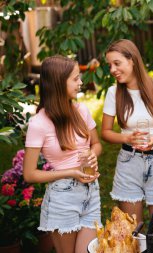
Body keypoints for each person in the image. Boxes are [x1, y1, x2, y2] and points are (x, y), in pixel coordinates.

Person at [23, 55, 102, 253]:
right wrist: (71, 172)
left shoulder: (82, 111)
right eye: (75, 79)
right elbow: (30, 174)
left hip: (91, 193)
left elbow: (97, 144)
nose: (81, 83)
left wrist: (93, 154)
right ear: (59, 83)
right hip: (62, 199)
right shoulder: (38, 124)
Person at [101, 39, 153, 223]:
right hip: (129, 163)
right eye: (110, 65)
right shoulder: (114, 93)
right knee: (132, 230)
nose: (112, 70)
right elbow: (105, 132)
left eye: (117, 63)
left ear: (132, 60)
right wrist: (127, 137)